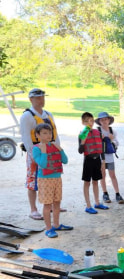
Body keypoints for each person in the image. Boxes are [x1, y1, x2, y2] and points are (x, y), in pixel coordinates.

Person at [20, 88, 63, 220]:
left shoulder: (48, 114)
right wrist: (34, 156)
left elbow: (54, 135)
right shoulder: (27, 116)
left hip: (50, 152)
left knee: (50, 180)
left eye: (42, 97)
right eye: (38, 98)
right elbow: (26, 138)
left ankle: (50, 205)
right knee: (33, 180)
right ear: (31, 99)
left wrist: (57, 151)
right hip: (36, 152)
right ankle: (33, 209)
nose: (41, 100)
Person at [32, 123, 72, 238]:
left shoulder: (55, 146)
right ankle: (48, 228)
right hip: (45, 180)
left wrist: (61, 149)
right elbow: (43, 164)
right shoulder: (36, 149)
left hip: (57, 178)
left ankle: (56, 224)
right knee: (47, 204)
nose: (48, 135)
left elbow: (65, 161)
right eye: (44, 133)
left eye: (49, 133)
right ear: (38, 135)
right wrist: (44, 151)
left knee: (57, 202)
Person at [78, 112, 109, 214]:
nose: (89, 123)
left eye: (91, 121)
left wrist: (103, 161)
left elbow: (102, 148)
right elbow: (80, 151)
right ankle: (88, 205)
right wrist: (83, 141)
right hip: (88, 159)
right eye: (87, 121)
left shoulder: (98, 132)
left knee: (96, 181)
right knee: (87, 182)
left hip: (97, 160)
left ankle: (97, 202)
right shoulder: (82, 133)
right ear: (83, 122)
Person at [96, 112, 124, 204]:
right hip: (101, 157)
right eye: (102, 120)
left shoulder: (112, 131)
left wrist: (112, 139)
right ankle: (105, 193)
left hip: (110, 157)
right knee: (103, 175)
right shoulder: (97, 131)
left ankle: (117, 193)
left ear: (109, 120)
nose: (104, 121)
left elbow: (117, 143)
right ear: (99, 121)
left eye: (106, 119)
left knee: (112, 175)